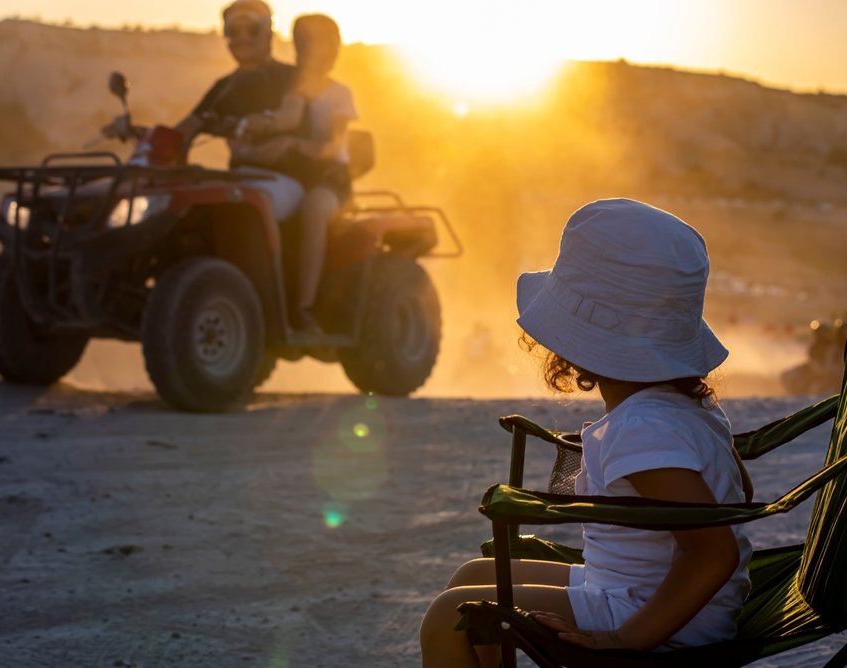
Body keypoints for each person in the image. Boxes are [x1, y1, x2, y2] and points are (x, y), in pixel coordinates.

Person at [419, 198, 754, 667]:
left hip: (655, 615)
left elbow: (714, 552)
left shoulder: (643, 431)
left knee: (445, 616)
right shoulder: (685, 407)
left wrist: (627, 640)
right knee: (471, 576)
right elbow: (738, 496)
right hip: (630, 586)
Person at [236, 13, 358, 333]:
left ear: (332, 47)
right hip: (293, 174)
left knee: (314, 208)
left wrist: (292, 142)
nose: (306, 49)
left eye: (315, 41)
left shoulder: (338, 94)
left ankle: (304, 308)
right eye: (301, 41)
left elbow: (333, 147)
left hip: (330, 178)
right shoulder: (286, 90)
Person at [174, 0, 304, 222]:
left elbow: (290, 116)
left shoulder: (292, 76)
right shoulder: (224, 86)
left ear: (269, 32)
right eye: (233, 31)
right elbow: (187, 127)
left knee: (244, 211)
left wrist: (267, 122)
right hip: (239, 177)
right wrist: (143, 134)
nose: (242, 38)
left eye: (252, 30)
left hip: (284, 178)